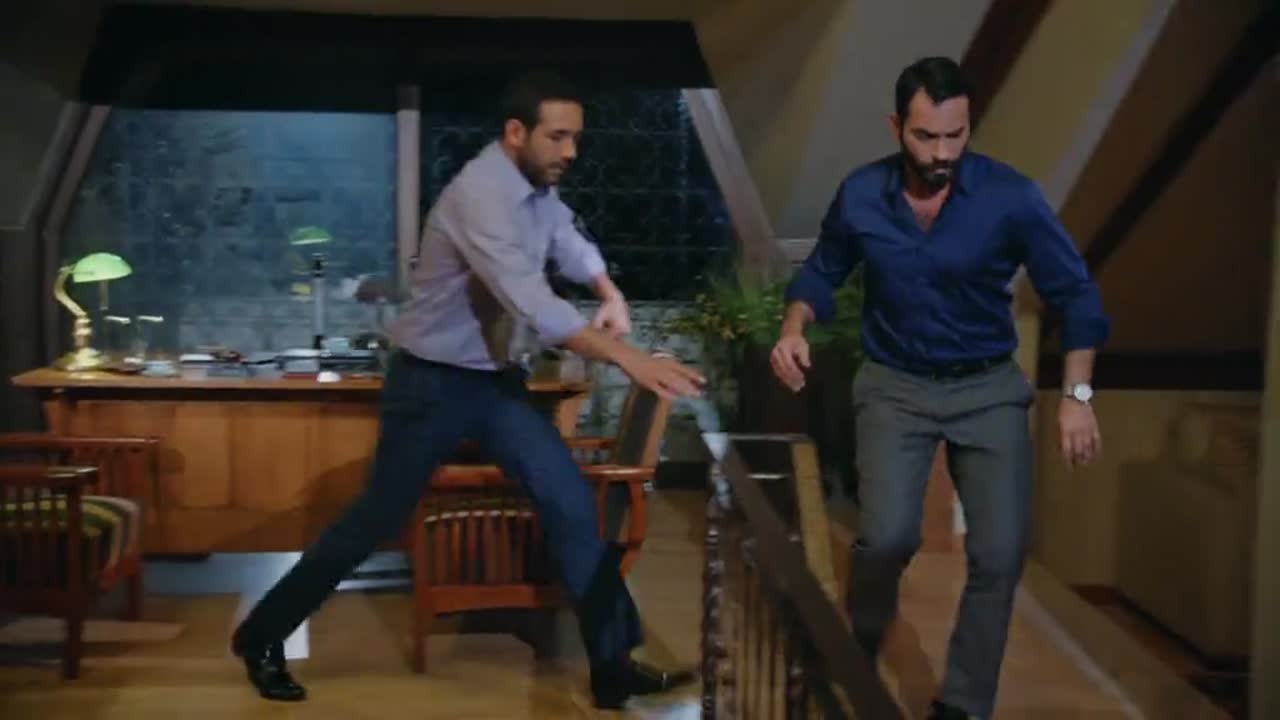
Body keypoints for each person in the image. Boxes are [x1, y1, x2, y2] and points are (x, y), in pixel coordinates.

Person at [231, 70, 705, 710]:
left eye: (576, 138)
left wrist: (608, 290)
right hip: (430, 384)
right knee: (374, 520)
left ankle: (612, 666)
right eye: (558, 137)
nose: (571, 151)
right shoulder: (480, 195)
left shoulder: (537, 190)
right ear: (516, 132)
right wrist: (626, 355)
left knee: (569, 502)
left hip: (494, 384)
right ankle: (261, 636)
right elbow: (531, 301)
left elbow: (568, 239)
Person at [770, 56, 1109, 720]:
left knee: (1000, 553)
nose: (942, 153)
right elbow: (822, 271)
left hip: (987, 390)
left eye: (956, 135)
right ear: (897, 126)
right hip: (894, 386)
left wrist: (1077, 397)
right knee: (888, 537)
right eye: (926, 137)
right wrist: (792, 327)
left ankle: (962, 704)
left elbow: (1076, 294)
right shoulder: (862, 194)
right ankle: (859, 638)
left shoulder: (1011, 197)